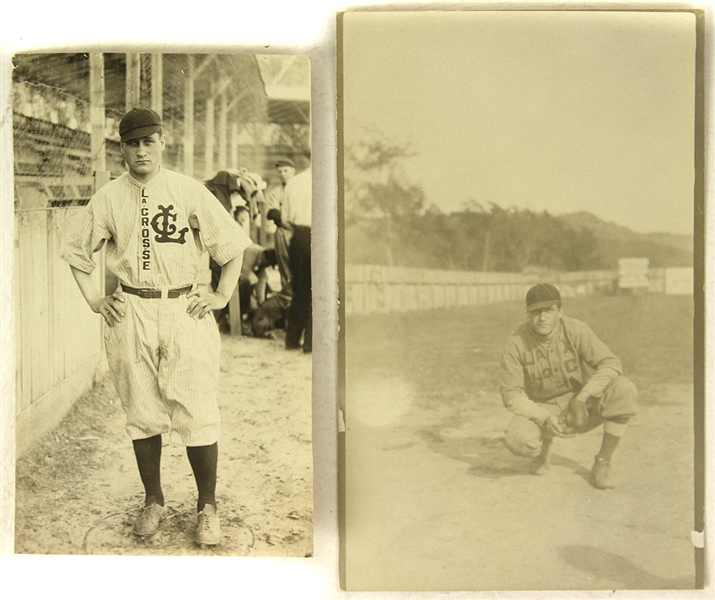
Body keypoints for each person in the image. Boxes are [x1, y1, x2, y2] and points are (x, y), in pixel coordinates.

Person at [61, 108, 252, 546]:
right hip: (131, 310)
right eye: (132, 143)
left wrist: (220, 296)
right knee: (142, 410)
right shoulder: (108, 197)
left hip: (184, 307)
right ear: (122, 148)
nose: (141, 150)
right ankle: (154, 499)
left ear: (163, 142)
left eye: (149, 141)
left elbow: (232, 244)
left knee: (196, 409)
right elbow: (75, 251)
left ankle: (207, 507)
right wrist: (95, 300)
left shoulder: (188, 190)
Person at [499, 283, 638, 489]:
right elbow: (511, 394)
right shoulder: (515, 343)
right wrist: (543, 417)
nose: (542, 317)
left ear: (560, 311)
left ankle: (603, 461)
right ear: (528, 314)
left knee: (624, 389)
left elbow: (611, 363)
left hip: (579, 404)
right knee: (517, 439)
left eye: (549, 310)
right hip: (543, 406)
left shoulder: (575, 329)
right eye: (535, 312)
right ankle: (544, 448)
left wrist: (582, 398)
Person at [280, 159, 312, 352]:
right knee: (318, 291)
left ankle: (292, 340)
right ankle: (311, 344)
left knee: (300, 290)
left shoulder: (294, 182)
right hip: (318, 236)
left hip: (298, 237)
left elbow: (284, 219)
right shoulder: (327, 180)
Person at [265, 158, 296, 296]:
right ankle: (288, 301)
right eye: (280, 172)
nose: (283, 174)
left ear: (293, 171)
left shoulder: (303, 189)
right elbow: (274, 214)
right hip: (283, 231)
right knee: (285, 267)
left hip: (301, 231)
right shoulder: (276, 192)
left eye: (286, 171)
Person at [238, 244, 277, 324]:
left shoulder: (263, 261)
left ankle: (251, 319)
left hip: (241, 275)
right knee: (246, 282)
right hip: (226, 270)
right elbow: (243, 273)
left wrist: (261, 302)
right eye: (268, 263)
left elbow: (261, 281)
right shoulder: (252, 251)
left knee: (265, 284)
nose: (267, 265)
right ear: (264, 257)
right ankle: (241, 316)